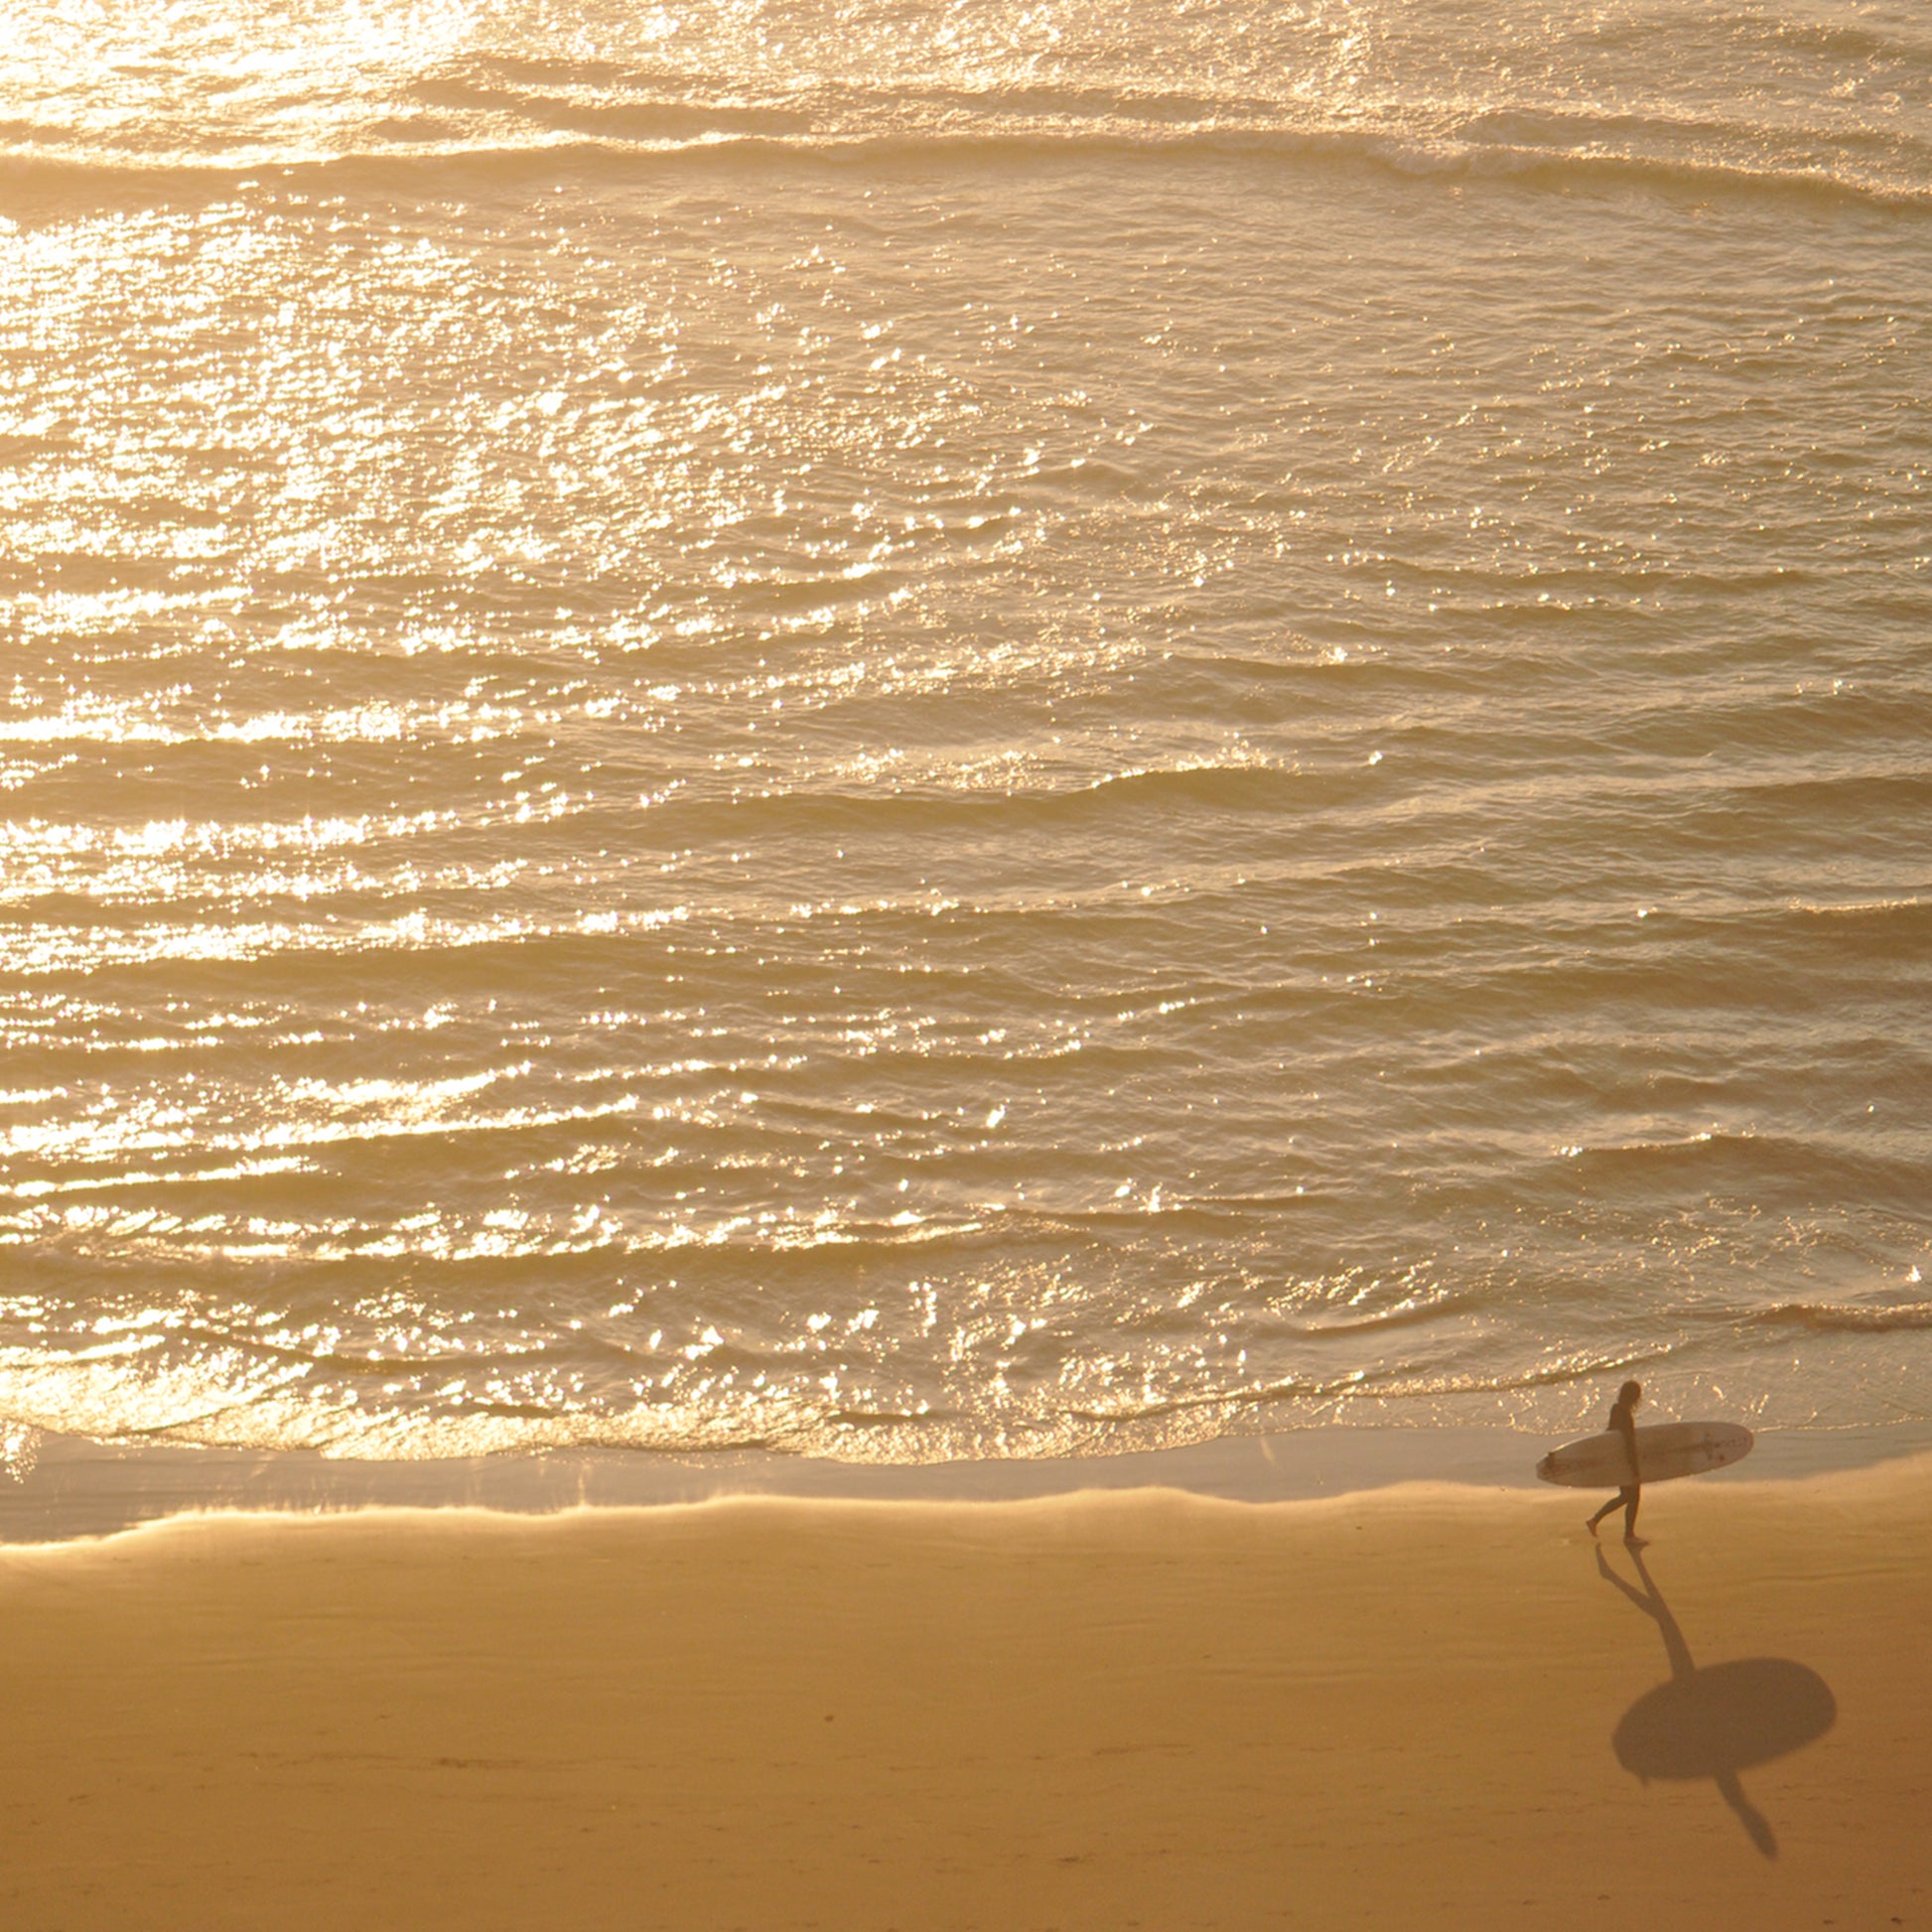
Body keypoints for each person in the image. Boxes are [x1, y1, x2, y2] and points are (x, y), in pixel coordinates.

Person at [1586, 1379, 1644, 1543]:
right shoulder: (1625, 1414)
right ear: (1634, 1397)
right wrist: (1634, 1472)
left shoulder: (1616, 1409)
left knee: (1627, 1496)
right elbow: (1629, 1444)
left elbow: (1611, 1435)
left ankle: (1595, 1521)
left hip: (1617, 1460)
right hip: (1625, 1462)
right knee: (1632, 1496)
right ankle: (1628, 1535)